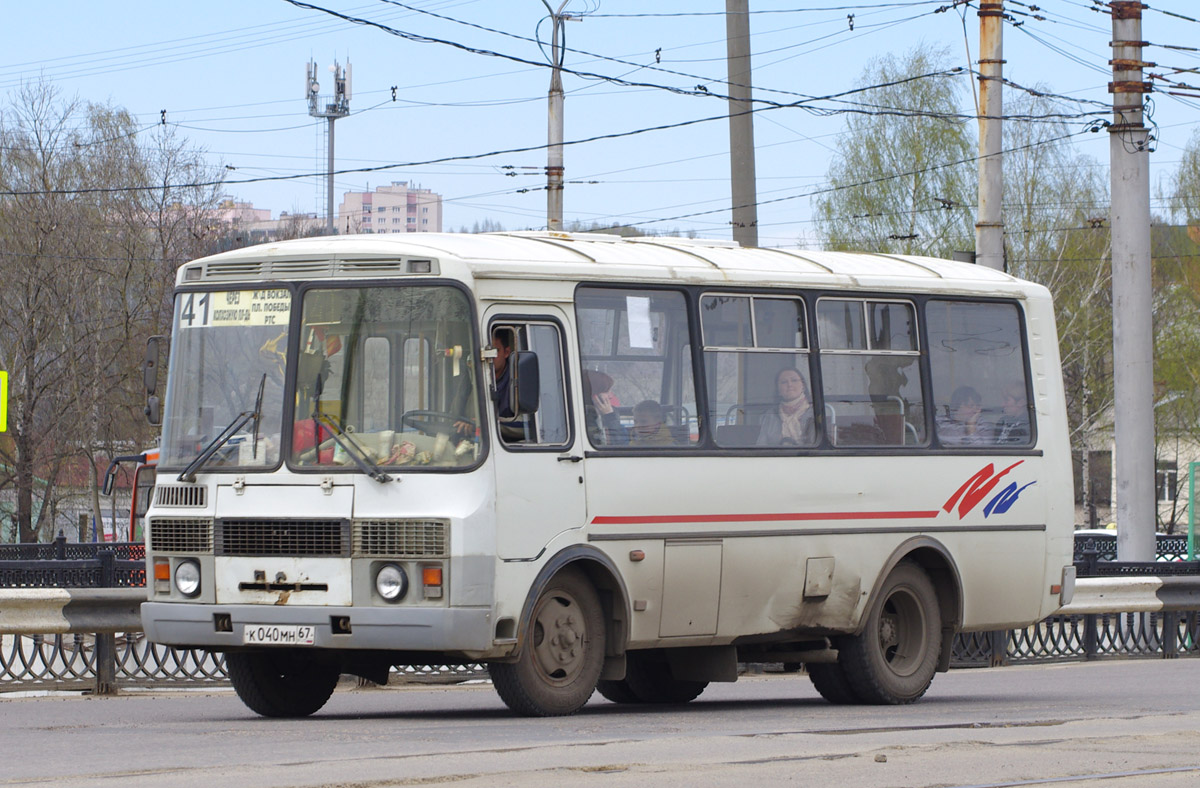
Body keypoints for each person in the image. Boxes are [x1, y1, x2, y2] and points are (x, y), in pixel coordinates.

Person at [757, 367, 816, 446]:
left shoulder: (815, 412)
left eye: (794, 380)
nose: (789, 384)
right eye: (784, 382)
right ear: (778, 390)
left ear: (803, 386)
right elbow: (761, 446)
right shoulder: (770, 415)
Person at [583, 370, 627, 446]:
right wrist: (610, 417)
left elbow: (623, 444)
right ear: (594, 395)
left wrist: (610, 417)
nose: (611, 396)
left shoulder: (612, 413)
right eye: (607, 392)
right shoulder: (586, 417)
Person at [490, 328, 514, 419]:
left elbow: (525, 422)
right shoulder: (471, 378)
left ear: (506, 352)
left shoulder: (516, 381)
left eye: (495, 351)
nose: (490, 357)